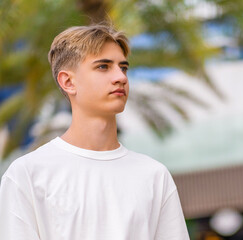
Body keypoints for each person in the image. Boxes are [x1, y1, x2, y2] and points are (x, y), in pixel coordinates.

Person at [0, 24, 190, 240]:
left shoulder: (154, 175)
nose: (121, 77)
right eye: (103, 67)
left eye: (123, 67)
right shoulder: (27, 175)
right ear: (68, 81)